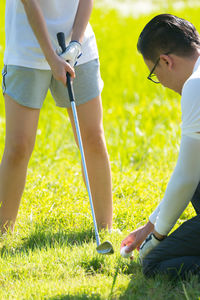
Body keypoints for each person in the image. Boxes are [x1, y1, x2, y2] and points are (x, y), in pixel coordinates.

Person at [0, 0, 113, 233]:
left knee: (92, 138)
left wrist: (76, 44)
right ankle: (2, 232)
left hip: (77, 49)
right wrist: (52, 58)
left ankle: (104, 230)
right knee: (18, 146)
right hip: (27, 48)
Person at [121, 14, 200, 280]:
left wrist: (156, 238)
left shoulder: (196, 85)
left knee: (154, 264)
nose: (162, 84)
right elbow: (191, 172)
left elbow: (187, 177)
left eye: (155, 74)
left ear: (166, 61)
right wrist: (150, 225)